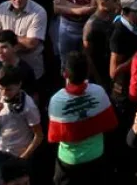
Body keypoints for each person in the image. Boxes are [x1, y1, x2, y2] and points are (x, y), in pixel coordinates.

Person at [47, 52, 117, 184]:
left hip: (69, 162)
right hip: (96, 157)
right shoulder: (99, 92)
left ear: (65, 74)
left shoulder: (56, 100)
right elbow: (111, 123)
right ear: (87, 72)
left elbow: (54, 136)